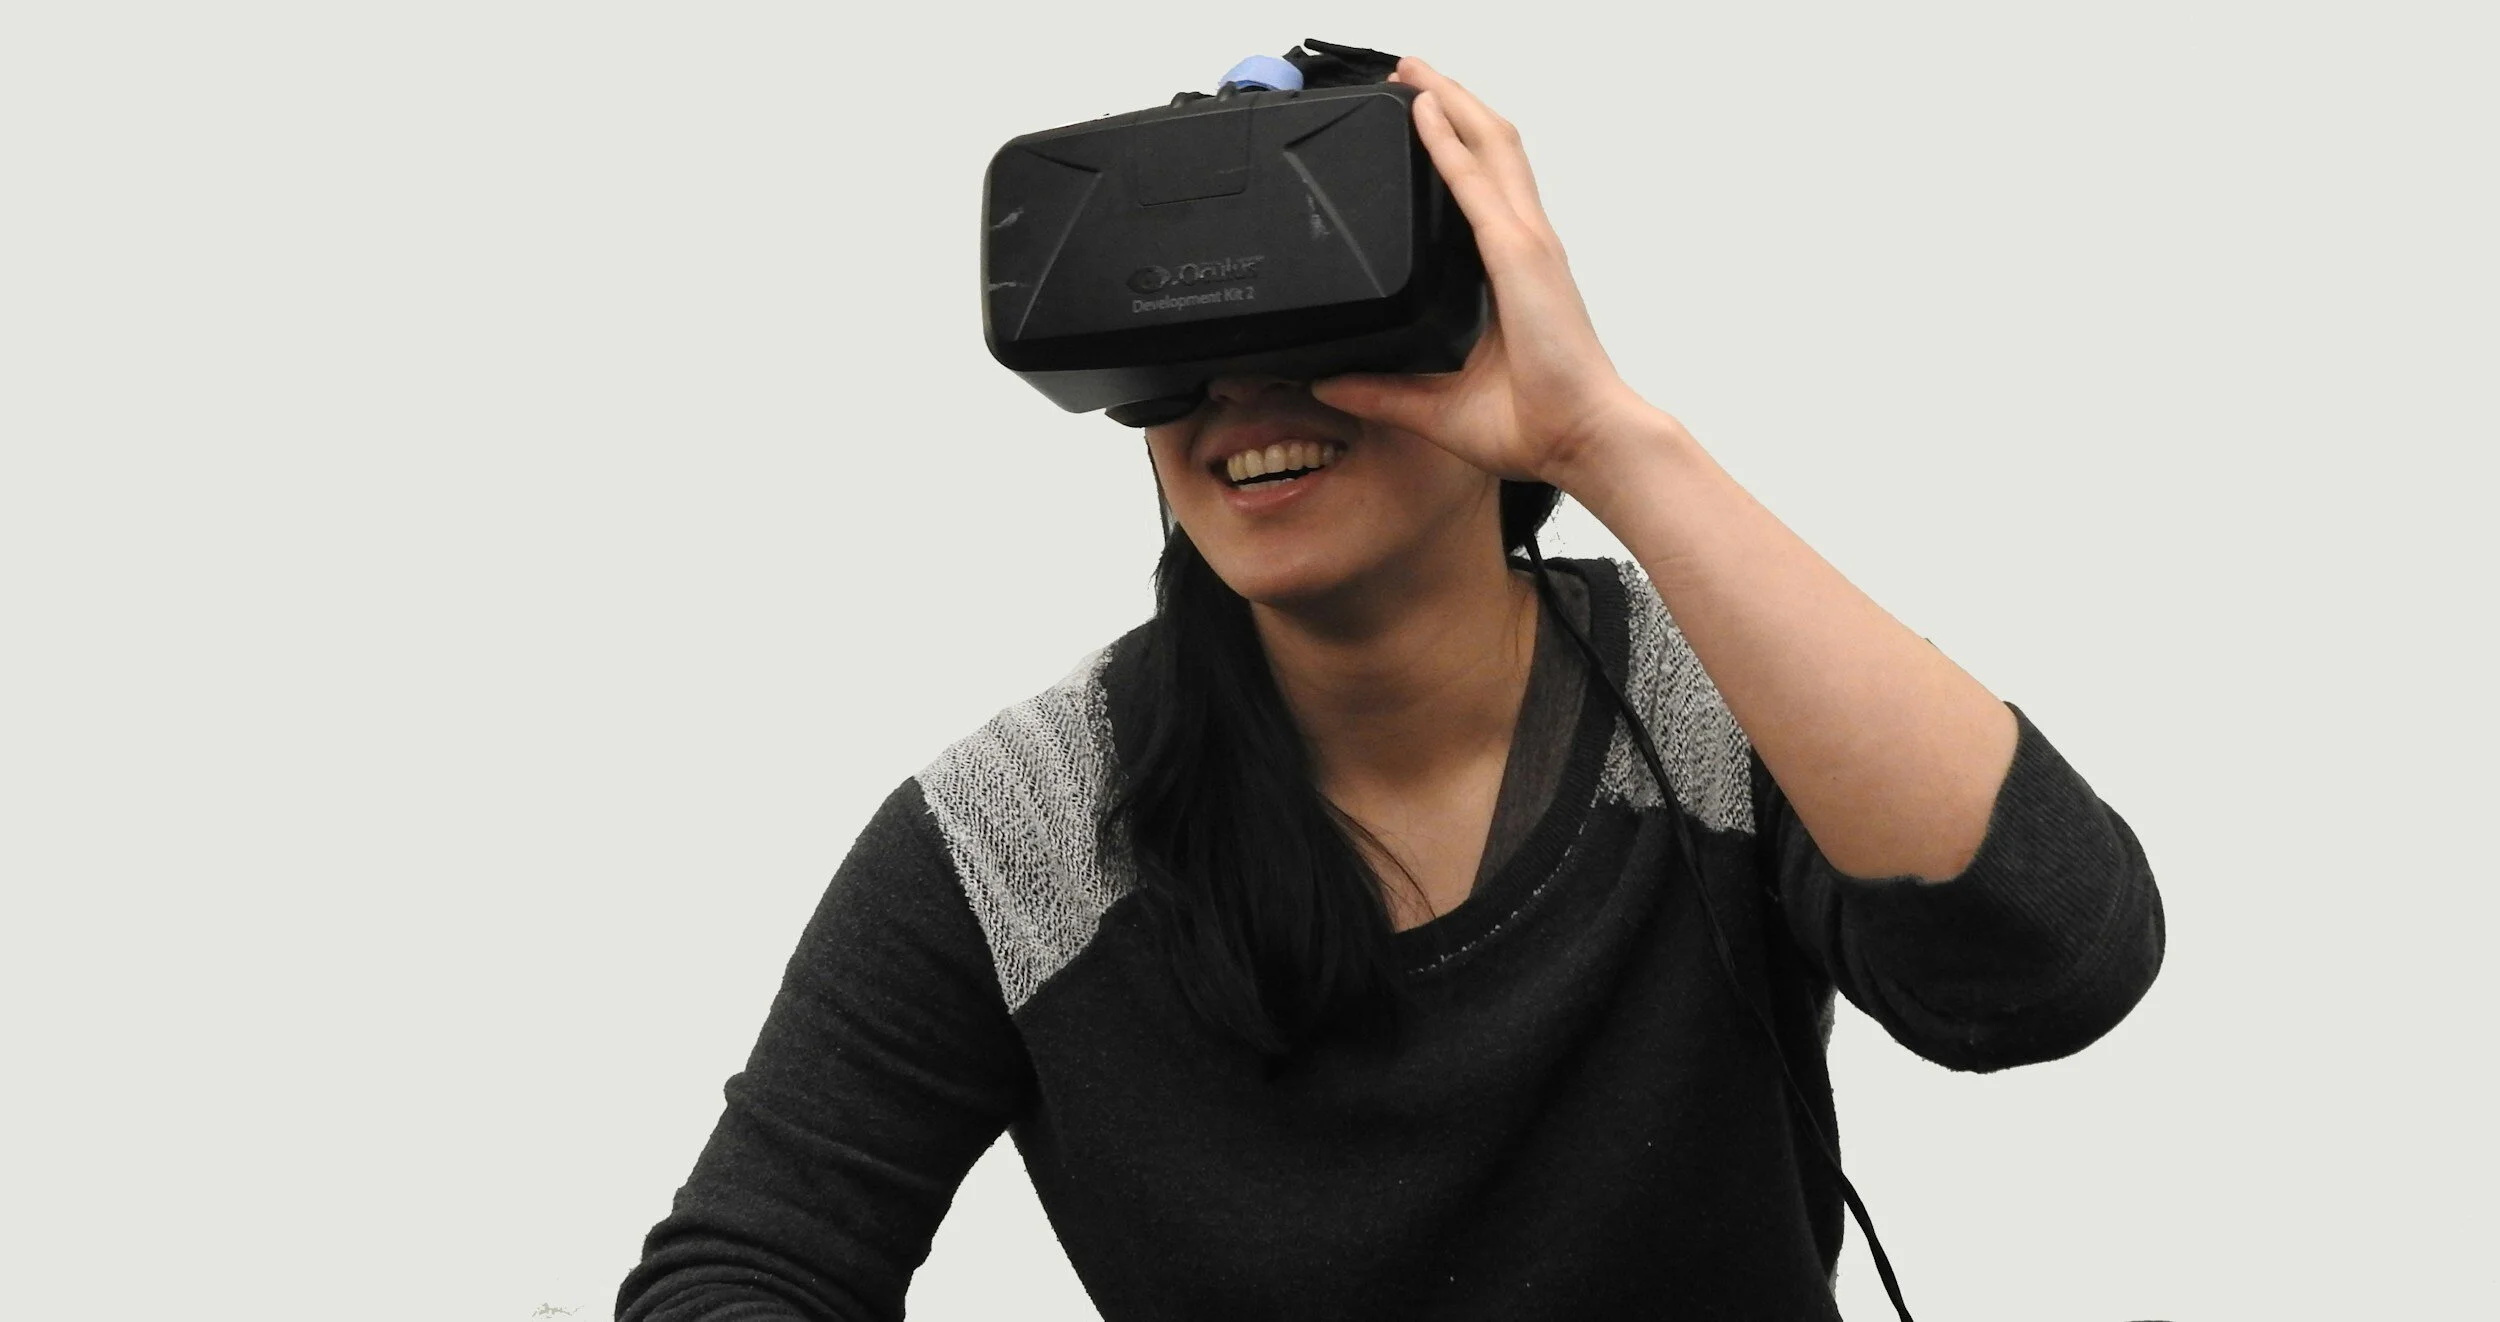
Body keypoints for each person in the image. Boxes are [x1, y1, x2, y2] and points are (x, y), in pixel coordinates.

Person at [615, 55, 2164, 1321]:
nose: (1246, 408)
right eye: (1193, 367)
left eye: (1318, 343)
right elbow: (743, 1271)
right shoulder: (1020, 832)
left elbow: (2048, 963)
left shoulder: (1713, 702)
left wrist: (1604, 438)